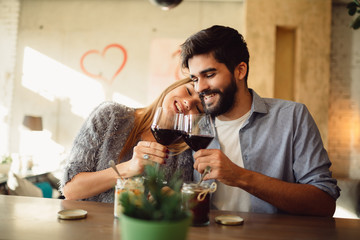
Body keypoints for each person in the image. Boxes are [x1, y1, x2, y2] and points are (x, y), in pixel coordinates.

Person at [180, 25, 340, 217]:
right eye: (194, 78)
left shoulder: (292, 117)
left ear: (240, 71)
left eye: (210, 75)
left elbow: (324, 203)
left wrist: (240, 176)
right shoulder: (193, 125)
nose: (200, 87)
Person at [60, 78, 203, 202]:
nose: (188, 103)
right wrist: (129, 168)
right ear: (173, 87)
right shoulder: (111, 116)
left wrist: (173, 199)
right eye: (189, 91)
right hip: (92, 229)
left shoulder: (186, 151)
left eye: (198, 107)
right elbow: (70, 189)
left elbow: (184, 206)